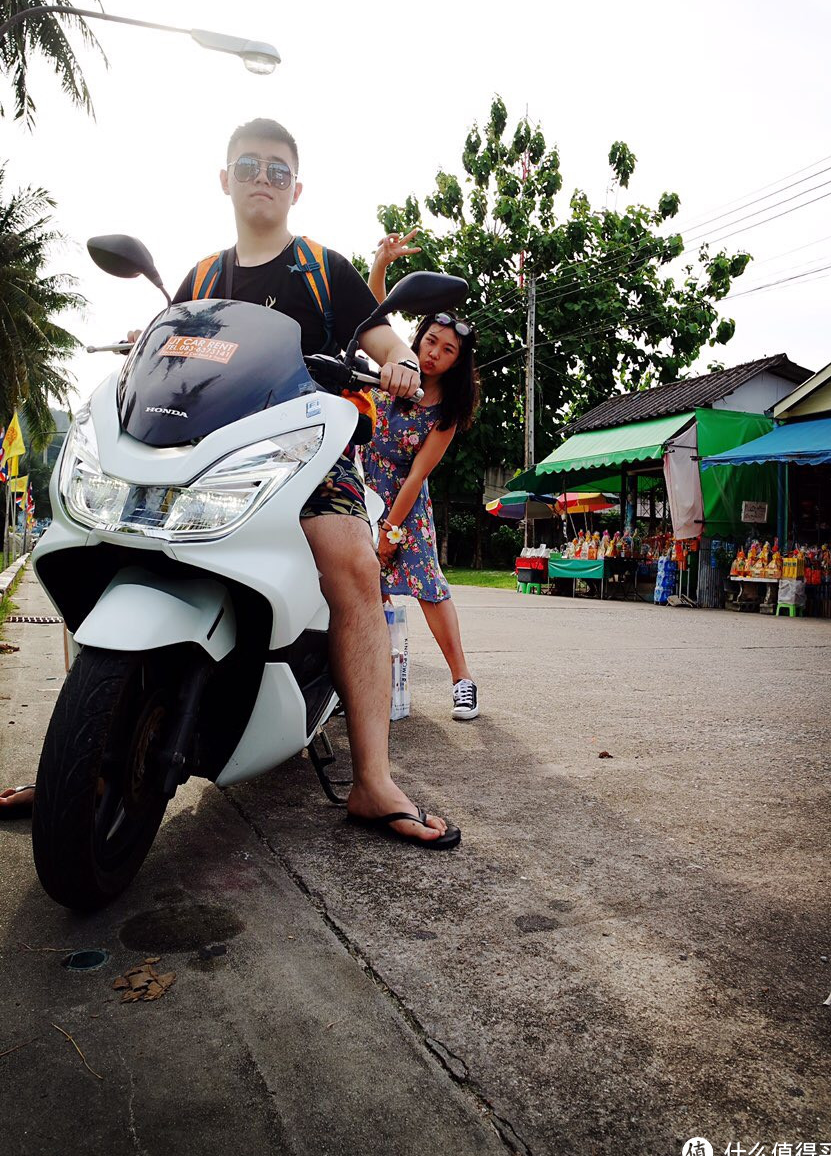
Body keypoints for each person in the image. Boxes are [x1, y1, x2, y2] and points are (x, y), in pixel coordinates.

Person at [3, 120, 460, 850]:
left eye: (278, 170)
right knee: (99, 538)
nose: (263, 178)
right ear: (225, 178)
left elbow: (383, 340)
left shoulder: (322, 268)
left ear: (296, 188)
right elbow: (167, 348)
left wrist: (403, 362)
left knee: (354, 566)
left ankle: (372, 780)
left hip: (304, 453)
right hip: (196, 456)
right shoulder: (202, 278)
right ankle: (68, 761)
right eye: (249, 164)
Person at [363, 230, 480, 719]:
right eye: (431, 340)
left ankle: (463, 680)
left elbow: (417, 476)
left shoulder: (447, 410)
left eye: (447, 350)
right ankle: (364, 684)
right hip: (360, 484)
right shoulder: (396, 367)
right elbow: (370, 321)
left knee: (428, 585)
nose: (434, 353)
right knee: (361, 587)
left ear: (457, 362)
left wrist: (391, 528)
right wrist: (381, 265)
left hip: (405, 502)